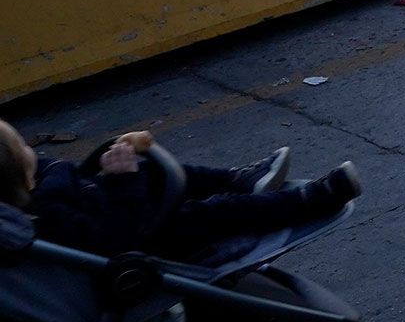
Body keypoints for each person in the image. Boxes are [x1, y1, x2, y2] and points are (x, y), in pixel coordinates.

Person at [0, 124, 357, 259]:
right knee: (212, 212)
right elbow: (116, 240)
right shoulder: (49, 211)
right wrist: (122, 182)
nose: (35, 150)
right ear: (21, 173)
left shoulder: (38, 183)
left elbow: (58, 172)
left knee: (154, 169)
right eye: (24, 147)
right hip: (142, 241)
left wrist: (113, 166)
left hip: (113, 206)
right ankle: (308, 199)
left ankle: (238, 178)